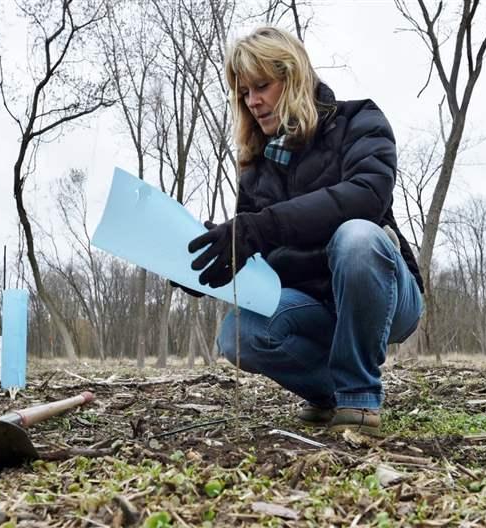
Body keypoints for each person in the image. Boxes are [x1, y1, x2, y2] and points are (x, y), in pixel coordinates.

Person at [182, 26, 424, 436]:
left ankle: (360, 397)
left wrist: (261, 228)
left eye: (262, 86)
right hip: (310, 307)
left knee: (359, 238)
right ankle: (330, 392)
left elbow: (368, 194)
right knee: (237, 332)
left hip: (383, 294)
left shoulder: (359, 120)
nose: (252, 101)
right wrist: (203, 266)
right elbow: (257, 257)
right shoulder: (256, 168)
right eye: (243, 92)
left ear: (293, 77)